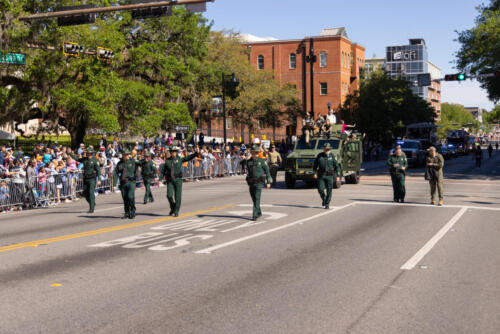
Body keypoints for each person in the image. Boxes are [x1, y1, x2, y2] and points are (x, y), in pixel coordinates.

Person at [160, 146, 198, 217]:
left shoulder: (179, 159)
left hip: (178, 180)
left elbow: (187, 158)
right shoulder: (167, 160)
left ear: (176, 152)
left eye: (175, 151)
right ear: (170, 152)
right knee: (169, 195)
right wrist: (160, 179)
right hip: (170, 180)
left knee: (178, 196)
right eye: (172, 151)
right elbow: (163, 171)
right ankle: (173, 207)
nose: (173, 153)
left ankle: (176, 210)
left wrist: (195, 154)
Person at [244, 145, 271, 220]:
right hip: (251, 183)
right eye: (253, 152)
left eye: (256, 153)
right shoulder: (248, 161)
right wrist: (246, 158)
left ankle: (254, 215)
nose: (255, 154)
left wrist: (268, 181)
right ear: (251, 153)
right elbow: (241, 163)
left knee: (257, 198)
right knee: (254, 198)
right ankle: (259, 212)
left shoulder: (262, 161)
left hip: (259, 183)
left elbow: (267, 171)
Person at [113, 148, 140, 219]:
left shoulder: (133, 161)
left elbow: (141, 163)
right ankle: (127, 213)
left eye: (128, 154)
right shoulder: (120, 163)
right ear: (123, 155)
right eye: (125, 154)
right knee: (125, 198)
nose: (126, 156)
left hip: (131, 182)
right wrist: (114, 184)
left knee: (130, 196)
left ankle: (133, 211)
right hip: (123, 183)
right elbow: (115, 173)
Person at [74, 148, 101, 213]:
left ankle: (91, 208)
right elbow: (77, 159)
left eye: (88, 153)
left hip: (92, 178)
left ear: (91, 153)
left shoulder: (95, 160)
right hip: (85, 178)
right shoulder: (85, 159)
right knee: (85, 194)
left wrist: (99, 179)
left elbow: (98, 170)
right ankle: (92, 203)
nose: (87, 154)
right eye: (87, 153)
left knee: (91, 192)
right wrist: (70, 154)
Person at [313, 143, 340, 209]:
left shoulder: (332, 156)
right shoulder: (320, 156)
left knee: (329, 190)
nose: (327, 150)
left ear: (330, 149)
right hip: (321, 175)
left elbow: (337, 166)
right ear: (323, 149)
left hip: (330, 176)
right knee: (320, 189)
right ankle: (324, 199)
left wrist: (338, 176)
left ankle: (327, 204)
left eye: (328, 149)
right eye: (325, 149)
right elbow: (315, 166)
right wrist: (314, 173)